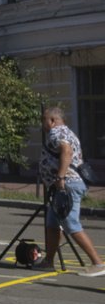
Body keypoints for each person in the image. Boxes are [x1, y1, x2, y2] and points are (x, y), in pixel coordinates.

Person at [39, 107, 105, 276]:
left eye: (44, 120)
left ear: (52, 120)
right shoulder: (69, 132)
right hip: (66, 185)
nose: (42, 124)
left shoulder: (56, 133)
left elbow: (66, 152)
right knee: (53, 223)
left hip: (67, 184)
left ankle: (98, 263)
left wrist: (60, 177)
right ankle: (48, 261)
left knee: (70, 223)